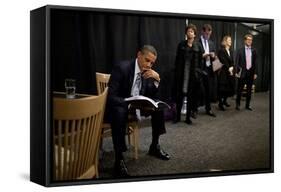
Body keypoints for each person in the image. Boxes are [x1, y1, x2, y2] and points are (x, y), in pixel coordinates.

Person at [107, 45, 170, 178]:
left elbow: (151, 93)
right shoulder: (122, 68)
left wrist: (157, 80)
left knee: (158, 106)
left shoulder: (147, 72)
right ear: (139, 55)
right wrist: (128, 103)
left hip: (137, 106)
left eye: (152, 63)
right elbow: (111, 97)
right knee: (119, 111)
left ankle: (154, 146)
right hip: (122, 106)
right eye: (147, 60)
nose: (149, 65)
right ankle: (119, 159)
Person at [172, 24, 202, 124]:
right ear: (186, 33)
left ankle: (188, 117)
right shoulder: (181, 44)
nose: (190, 33)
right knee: (179, 95)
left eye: (192, 31)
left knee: (190, 96)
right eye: (188, 31)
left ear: (194, 34)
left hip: (192, 75)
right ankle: (177, 117)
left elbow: (200, 62)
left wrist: (198, 73)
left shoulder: (198, 46)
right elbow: (177, 59)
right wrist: (176, 72)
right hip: (182, 73)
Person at [198, 24, 216, 117]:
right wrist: (203, 56)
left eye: (209, 34)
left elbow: (214, 57)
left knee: (208, 90)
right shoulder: (197, 42)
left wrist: (213, 56)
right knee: (198, 89)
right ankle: (194, 109)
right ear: (203, 31)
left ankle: (208, 109)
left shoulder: (212, 43)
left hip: (209, 69)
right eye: (206, 33)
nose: (208, 35)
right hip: (200, 69)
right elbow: (196, 56)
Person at [235, 34, 258, 111]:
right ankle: (237, 104)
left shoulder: (254, 50)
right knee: (239, 90)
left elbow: (255, 62)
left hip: (250, 73)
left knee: (249, 90)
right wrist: (236, 72)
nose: (249, 41)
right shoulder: (240, 50)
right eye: (248, 39)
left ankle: (247, 105)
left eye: (251, 40)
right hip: (242, 73)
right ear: (245, 40)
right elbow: (237, 62)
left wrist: (255, 73)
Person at [217, 35, 235, 111]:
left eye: (231, 40)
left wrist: (232, 67)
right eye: (229, 40)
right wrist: (229, 68)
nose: (230, 41)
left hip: (229, 73)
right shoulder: (221, 50)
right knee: (222, 88)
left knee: (228, 88)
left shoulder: (230, 51)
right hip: (223, 72)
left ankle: (224, 101)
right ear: (225, 41)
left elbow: (232, 61)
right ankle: (220, 103)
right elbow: (222, 60)